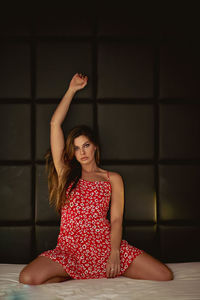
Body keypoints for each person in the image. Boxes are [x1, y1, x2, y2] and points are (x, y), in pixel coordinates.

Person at [19, 73, 174, 285]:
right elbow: (55, 124)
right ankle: (75, 272)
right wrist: (72, 89)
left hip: (104, 246)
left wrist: (115, 253)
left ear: (95, 146)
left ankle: (101, 269)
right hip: (70, 250)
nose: (81, 152)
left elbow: (117, 219)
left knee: (164, 275)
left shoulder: (113, 179)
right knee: (27, 277)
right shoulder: (66, 173)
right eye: (76, 148)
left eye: (86, 145)